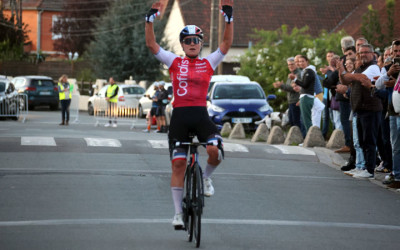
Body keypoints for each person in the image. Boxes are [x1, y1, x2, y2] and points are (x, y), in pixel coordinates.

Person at [145, 0, 234, 228]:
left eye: (196, 40)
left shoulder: (209, 62)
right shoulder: (174, 62)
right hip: (181, 118)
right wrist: (149, 20)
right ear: (183, 45)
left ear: (201, 43)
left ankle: (205, 177)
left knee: (216, 151)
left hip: (201, 116)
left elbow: (225, 43)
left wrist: (228, 18)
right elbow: (152, 44)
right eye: (187, 41)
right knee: (178, 165)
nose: (192, 44)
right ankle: (177, 214)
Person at [336, 44, 382, 179]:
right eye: (360, 53)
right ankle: (363, 167)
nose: (362, 55)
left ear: (372, 54)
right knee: (362, 141)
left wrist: (347, 74)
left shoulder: (373, 67)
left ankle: (369, 170)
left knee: (369, 141)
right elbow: (345, 80)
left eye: (365, 52)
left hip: (370, 109)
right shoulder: (360, 68)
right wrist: (341, 69)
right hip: (360, 109)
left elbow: (359, 78)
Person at [273, 57, 301, 128]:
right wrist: (282, 86)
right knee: (291, 121)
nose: (290, 66)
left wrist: (281, 85)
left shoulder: (298, 74)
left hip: (296, 100)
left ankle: (299, 137)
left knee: (296, 122)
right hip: (291, 100)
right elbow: (289, 87)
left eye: (292, 64)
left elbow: (294, 88)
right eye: (289, 65)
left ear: (296, 64)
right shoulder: (290, 75)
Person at [290, 55, 315, 135]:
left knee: (306, 120)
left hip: (307, 97)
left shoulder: (309, 71)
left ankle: (310, 137)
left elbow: (304, 85)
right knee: (304, 119)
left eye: (303, 61)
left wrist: (295, 79)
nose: (301, 63)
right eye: (299, 61)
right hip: (304, 96)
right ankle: (308, 137)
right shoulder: (305, 71)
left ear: (307, 61)